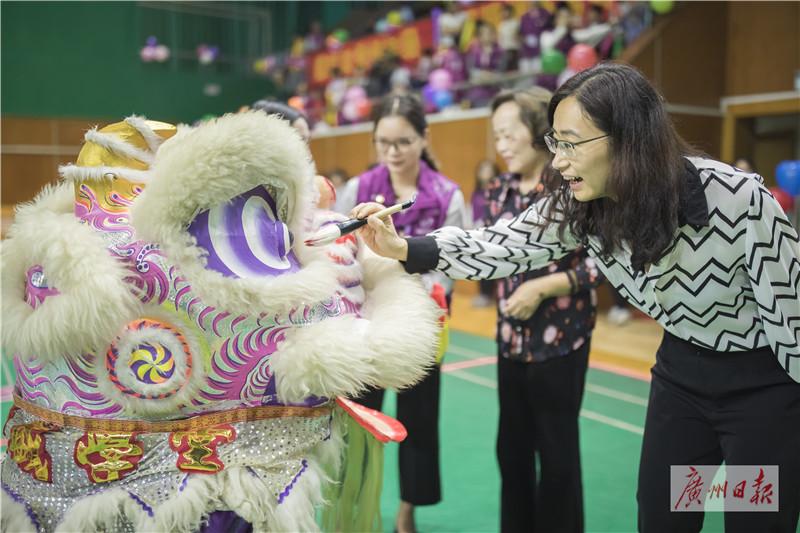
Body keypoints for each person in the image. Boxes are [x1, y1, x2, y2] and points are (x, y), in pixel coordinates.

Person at [353, 62, 800, 533]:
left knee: (753, 519)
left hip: (761, 391)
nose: (559, 160)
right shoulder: (582, 204)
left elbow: (792, 316)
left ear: (628, 138)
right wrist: (404, 248)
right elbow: (505, 244)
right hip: (682, 383)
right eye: (555, 142)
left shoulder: (736, 199)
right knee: (665, 515)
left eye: (570, 143)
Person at [337, 93, 468, 533]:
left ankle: (406, 512)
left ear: (424, 138)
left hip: (421, 326)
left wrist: (409, 297)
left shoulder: (448, 194)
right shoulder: (358, 189)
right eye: (383, 142)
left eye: (403, 142)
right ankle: (357, 505)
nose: (393, 152)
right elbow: (344, 254)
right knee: (360, 423)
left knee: (419, 424)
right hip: (366, 326)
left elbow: (451, 264)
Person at [486, 87, 603, 532]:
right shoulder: (496, 191)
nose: (502, 145)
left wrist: (545, 285)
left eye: (509, 133)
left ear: (539, 132)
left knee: (557, 459)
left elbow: (605, 261)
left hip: (562, 342)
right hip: (510, 342)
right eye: (495, 136)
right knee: (510, 452)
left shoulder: (574, 186)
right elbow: (489, 253)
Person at [470, 159, 499, 307]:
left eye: (488, 169)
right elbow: (472, 211)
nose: (485, 173)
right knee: (479, 263)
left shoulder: (496, 192)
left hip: (490, 233)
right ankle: (482, 294)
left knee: (490, 262)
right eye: (482, 169)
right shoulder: (476, 193)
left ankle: (489, 295)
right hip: (476, 233)